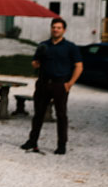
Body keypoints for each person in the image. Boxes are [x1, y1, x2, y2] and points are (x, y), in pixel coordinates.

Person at [21, 17, 83, 155]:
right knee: (38, 114)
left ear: (64, 30)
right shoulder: (43, 45)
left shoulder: (70, 47)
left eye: (59, 28)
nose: (56, 30)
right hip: (43, 83)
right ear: (51, 28)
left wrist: (70, 83)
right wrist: (38, 59)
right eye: (54, 27)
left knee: (61, 115)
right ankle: (32, 141)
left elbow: (79, 66)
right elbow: (35, 64)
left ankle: (61, 145)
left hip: (60, 84)